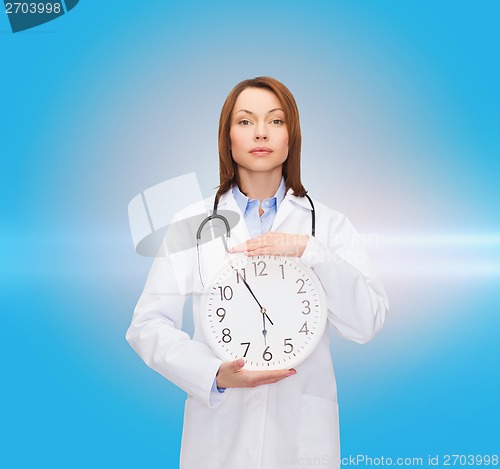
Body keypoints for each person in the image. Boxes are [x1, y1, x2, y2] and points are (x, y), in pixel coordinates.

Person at [126, 76, 389, 469]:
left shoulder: (329, 226)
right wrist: (213, 373)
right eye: (246, 121)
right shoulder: (191, 224)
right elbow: (146, 326)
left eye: (276, 121)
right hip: (217, 437)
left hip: (302, 440)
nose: (261, 132)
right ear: (227, 137)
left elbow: (368, 321)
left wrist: (310, 251)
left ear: (291, 137)